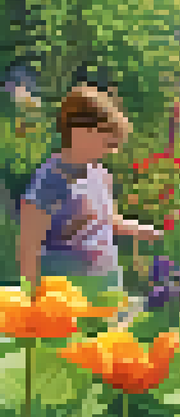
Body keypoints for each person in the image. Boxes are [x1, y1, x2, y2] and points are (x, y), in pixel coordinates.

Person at [17, 85, 163, 295]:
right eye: (106, 142)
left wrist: (137, 229)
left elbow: (108, 219)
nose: (110, 150)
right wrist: (32, 296)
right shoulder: (50, 179)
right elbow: (28, 245)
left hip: (106, 283)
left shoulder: (100, 174)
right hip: (65, 290)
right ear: (80, 131)